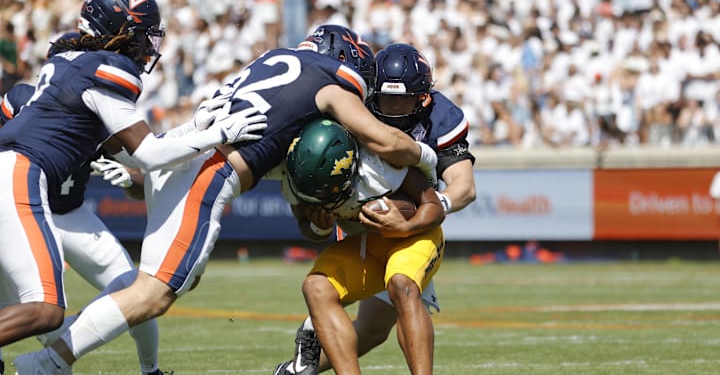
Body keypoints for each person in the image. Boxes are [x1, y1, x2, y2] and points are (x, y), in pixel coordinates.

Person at [14, 24, 438, 373]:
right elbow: (382, 139)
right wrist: (426, 156)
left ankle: (58, 345)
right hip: (212, 169)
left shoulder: (273, 61)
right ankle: (50, 360)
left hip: (187, 152)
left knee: (175, 282)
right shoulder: (331, 81)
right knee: (154, 293)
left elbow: (293, 187)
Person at [1, 0, 266, 372]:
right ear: (117, 32)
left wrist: (191, 131)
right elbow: (149, 154)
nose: (147, 47)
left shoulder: (72, 64)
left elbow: (133, 151)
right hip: (20, 176)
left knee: (42, 309)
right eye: (142, 35)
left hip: (26, 180)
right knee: (44, 311)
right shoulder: (105, 72)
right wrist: (217, 134)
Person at [274, 42, 476, 374]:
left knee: (385, 310)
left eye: (403, 99)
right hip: (360, 226)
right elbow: (307, 223)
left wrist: (411, 221)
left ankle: (307, 350)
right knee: (354, 315)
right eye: (387, 98)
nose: (394, 108)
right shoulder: (344, 117)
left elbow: (463, 187)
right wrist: (320, 224)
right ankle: (300, 366)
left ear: (422, 97)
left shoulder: (434, 122)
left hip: (411, 223)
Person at [0, 82, 169, 375]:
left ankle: (150, 370)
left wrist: (130, 179)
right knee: (35, 312)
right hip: (17, 211)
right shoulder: (23, 100)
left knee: (136, 290)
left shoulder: (102, 119)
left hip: (70, 216)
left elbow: (145, 179)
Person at [277, 117, 446, 375]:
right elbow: (306, 227)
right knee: (316, 287)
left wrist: (404, 227)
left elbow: (434, 208)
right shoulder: (295, 174)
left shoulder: (380, 166)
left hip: (413, 237)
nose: (322, 201)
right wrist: (320, 228)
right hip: (366, 243)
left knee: (401, 284)